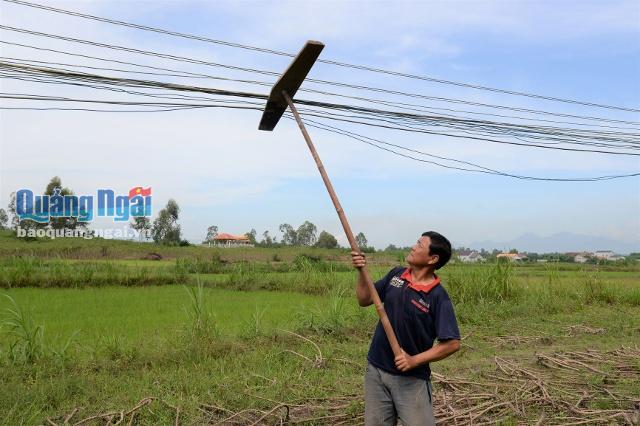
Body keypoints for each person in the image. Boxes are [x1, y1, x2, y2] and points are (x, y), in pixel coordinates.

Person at [352, 231, 461, 426]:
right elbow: (364, 299)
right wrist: (361, 271)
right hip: (376, 369)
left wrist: (413, 360)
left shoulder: (437, 296)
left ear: (432, 259)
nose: (413, 247)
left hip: (412, 379)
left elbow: (452, 343)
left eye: (419, 245)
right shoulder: (396, 275)